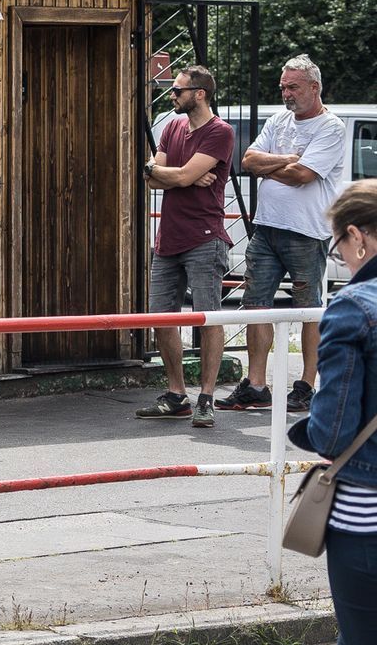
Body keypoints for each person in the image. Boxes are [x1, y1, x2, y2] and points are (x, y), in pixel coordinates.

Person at [288, 182, 377, 645]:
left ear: (363, 239)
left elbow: (332, 426)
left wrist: (303, 432)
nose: (336, 257)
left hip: (367, 524)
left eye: (338, 244)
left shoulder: (355, 308)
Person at [221, 54, 348, 415]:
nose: (286, 94)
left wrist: (273, 165)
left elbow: (303, 176)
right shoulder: (278, 120)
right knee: (256, 305)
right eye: (283, 87)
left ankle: (307, 385)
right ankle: (257, 385)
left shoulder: (331, 128)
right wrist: (290, 158)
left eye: (292, 87)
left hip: (307, 231)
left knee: (308, 309)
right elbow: (246, 161)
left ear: (314, 87)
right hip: (267, 227)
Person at [136, 65, 235, 428]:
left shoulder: (220, 132)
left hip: (205, 238)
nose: (172, 96)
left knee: (208, 318)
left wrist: (175, 175)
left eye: (177, 91)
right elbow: (152, 177)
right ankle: (177, 394)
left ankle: (206, 397)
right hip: (169, 238)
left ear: (200, 94)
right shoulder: (173, 127)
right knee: (161, 318)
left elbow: (175, 175)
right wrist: (176, 175)